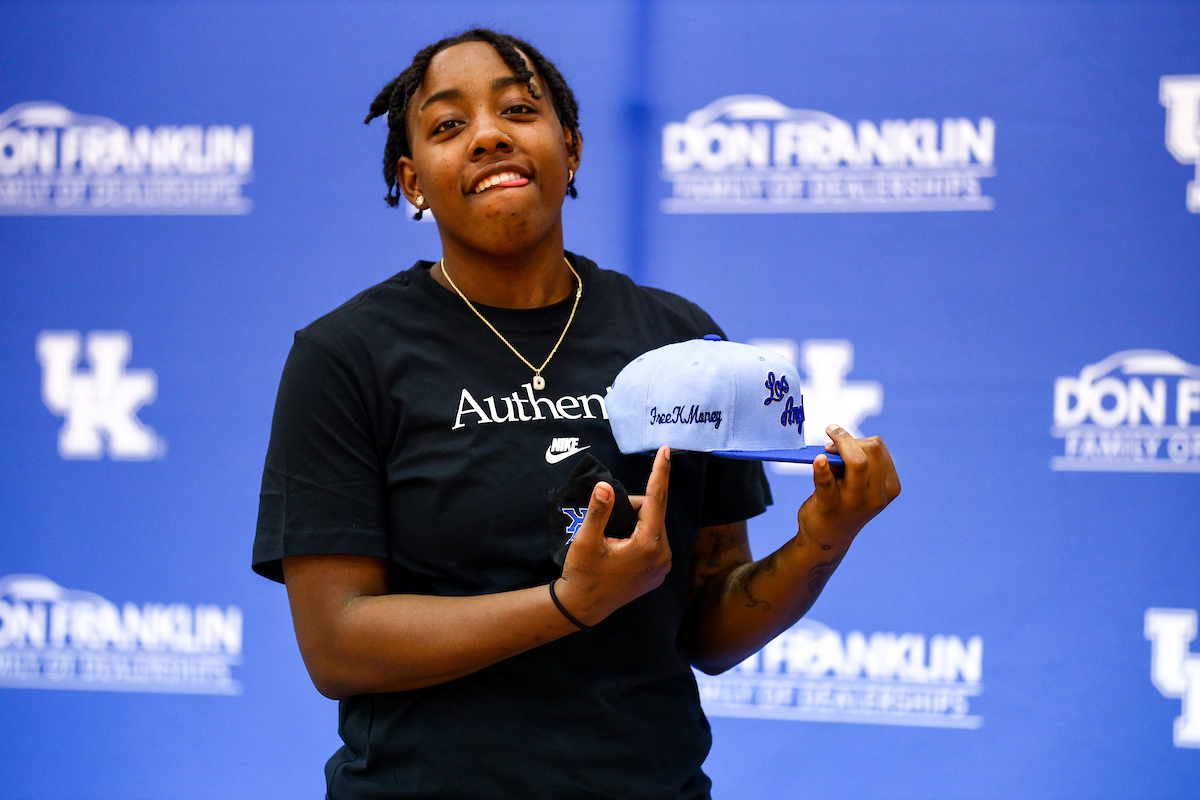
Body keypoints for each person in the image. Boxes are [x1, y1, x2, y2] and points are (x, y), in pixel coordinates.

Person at [253, 28, 900, 800]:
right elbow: (338, 647)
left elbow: (709, 627)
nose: (490, 134)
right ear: (412, 179)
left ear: (572, 147)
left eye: (519, 109)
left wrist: (822, 541)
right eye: (448, 125)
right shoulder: (345, 355)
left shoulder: (676, 339)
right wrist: (567, 606)